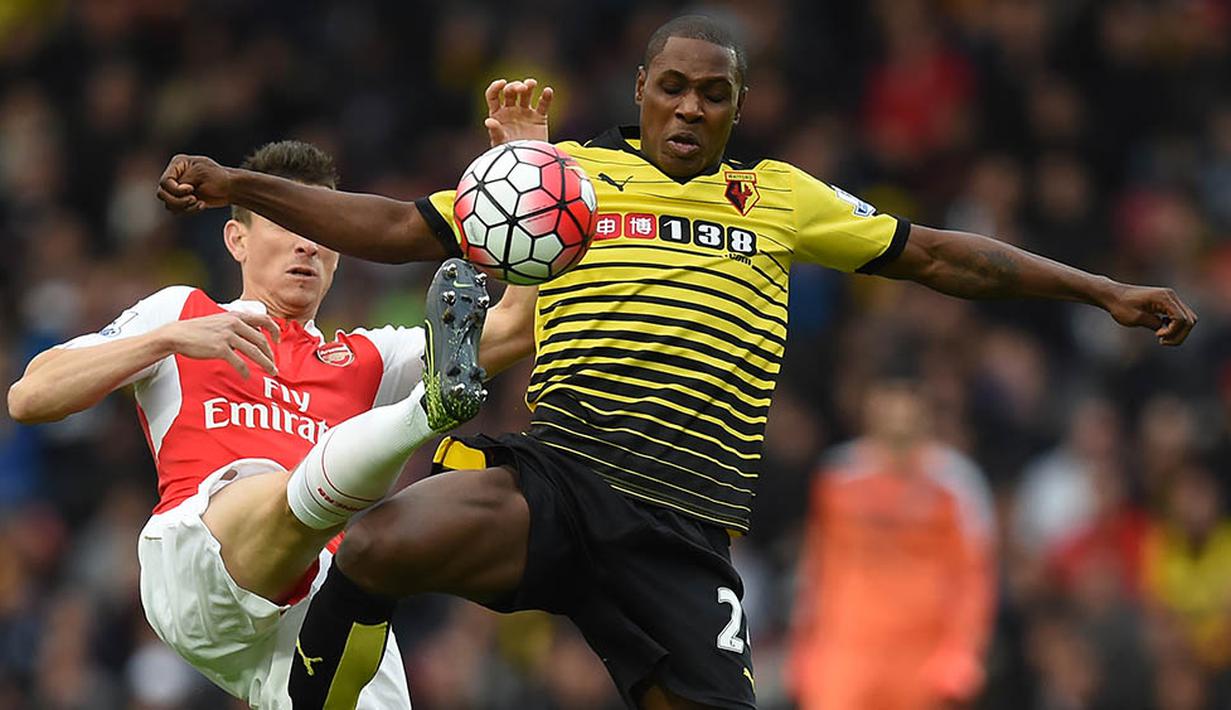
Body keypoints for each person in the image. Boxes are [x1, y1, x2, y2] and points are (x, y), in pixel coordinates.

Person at [154, 15, 1197, 710]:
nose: (691, 108)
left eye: (713, 94)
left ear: (736, 107)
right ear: (642, 89)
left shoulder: (781, 197)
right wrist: (239, 180)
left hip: (682, 535)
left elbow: (933, 253)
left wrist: (1097, 287)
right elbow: (389, 223)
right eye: (672, 88)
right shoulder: (570, 179)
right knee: (376, 546)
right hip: (556, 481)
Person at [6, 140, 531, 709]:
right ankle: (423, 414)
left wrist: (530, 167)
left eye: (322, 229)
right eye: (286, 221)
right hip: (199, 566)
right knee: (270, 486)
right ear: (237, 239)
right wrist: (165, 340)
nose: (307, 242)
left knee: (355, 605)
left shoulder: (369, 359)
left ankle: (422, 413)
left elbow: (514, 327)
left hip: (307, 606)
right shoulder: (185, 314)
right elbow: (30, 395)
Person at [787, 366, 996, 710]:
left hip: (922, 658)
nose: (898, 414)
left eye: (908, 403)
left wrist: (962, 652)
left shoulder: (957, 483)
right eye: (889, 402)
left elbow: (974, 578)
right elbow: (817, 566)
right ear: (870, 408)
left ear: (926, 411)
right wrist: (804, 649)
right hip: (845, 652)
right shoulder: (838, 475)